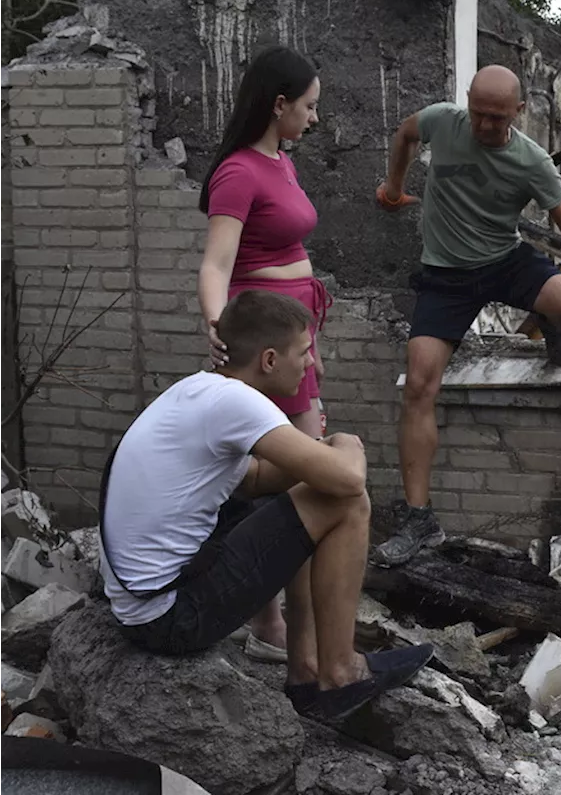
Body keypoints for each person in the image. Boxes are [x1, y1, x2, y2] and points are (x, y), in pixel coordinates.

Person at [98, 290, 434, 723]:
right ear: (270, 360)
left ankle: (305, 673)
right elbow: (348, 480)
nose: (311, 363)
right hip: (171, 618)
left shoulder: (199, 390)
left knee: (301, 494)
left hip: (144, 609)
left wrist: (315, 456)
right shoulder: (237, 403)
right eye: (304, 352)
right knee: (348, 503)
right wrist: (345, 446)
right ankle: (338, 672)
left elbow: (256, 480)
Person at [370, 65, 561, 568]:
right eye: (479, 115)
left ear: (519, 113)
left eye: (498, 118)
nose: (486, 127)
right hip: (445, 276)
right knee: (419, 386)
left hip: (504, 264)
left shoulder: (531, 161)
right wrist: (393, 186)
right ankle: (419, 520)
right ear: (466, 102)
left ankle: (551, 321)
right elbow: (405, 133)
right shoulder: (442, 122)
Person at [195, 45, 332, 661]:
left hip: (295, 337)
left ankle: (283, 621)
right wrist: (218, 323)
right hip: (266, 346)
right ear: (279, 104)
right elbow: (217, 261)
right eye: (307, 106)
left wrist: (312, 345)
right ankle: (272, 623)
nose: (313, 118)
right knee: (291, 476)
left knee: (299, 470)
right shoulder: (239, 172)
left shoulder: (283, 163)